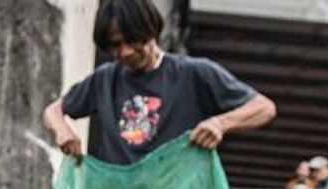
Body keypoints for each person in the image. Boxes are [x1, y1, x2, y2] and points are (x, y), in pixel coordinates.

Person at [42, 0, 276, 165]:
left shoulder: (194, 73)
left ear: (150, 30)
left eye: (133, 41)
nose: (124, 52)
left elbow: (264, 108)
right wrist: (63, 130)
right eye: (115, 45)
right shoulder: (105, 78)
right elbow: (53, 111)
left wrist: (220, 123)